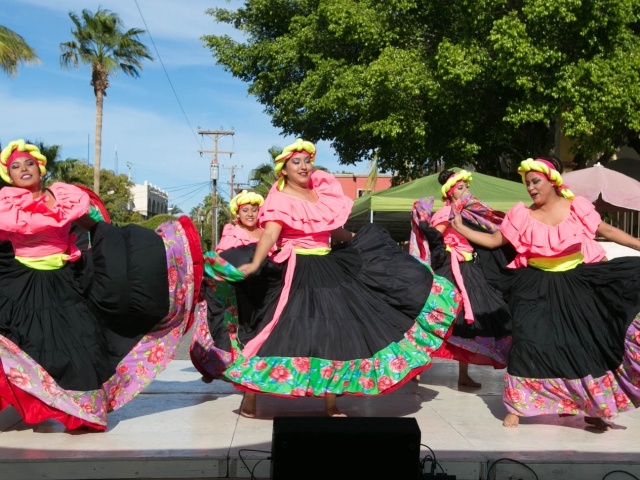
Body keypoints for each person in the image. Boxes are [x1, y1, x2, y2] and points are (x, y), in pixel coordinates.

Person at [205, 138, 461, 418]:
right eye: (296, 162)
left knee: (335, 333)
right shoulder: (278, 198)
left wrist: (363, 243)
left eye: (307, 161)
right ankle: (251, 397)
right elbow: (270, 234)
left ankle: (330, 402)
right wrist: (255, 262)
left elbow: (333, 232)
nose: (304, 166)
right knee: (273, 331)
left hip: (330, 266)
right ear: (284, 170)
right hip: (297, 269)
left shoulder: (319, 194)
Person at [0, 139, 203, 431]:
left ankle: (80, 410)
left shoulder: (62, 199)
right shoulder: (7, 206)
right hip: (22, 284)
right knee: (25, 344)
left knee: (79, 345)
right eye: (15, 167)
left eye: (28, 163)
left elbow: (96, 229)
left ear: (40, 168)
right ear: (11, 176)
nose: (23, 169)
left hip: (64, 281)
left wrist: (134, 248)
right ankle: (38, 401)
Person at [451, 156, 640, 429]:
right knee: (527, 340)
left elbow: (607, 230)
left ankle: (593, 407)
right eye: (527, 183)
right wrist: (463, 229)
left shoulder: (577, 207)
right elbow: (494, 241)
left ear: (552, 180)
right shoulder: (522, 215)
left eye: (535, 181)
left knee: (584, 343)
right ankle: (517, 406)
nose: (531, 188)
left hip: (577, 282)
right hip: (534, 283)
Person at [410, 170, 513, 388]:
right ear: (449, 192)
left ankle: (463, 374)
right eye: (460, 187)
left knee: (468, 321)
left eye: (466, 186)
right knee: (438, 317)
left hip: (468, 269)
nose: (465, 189)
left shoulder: (468, 213)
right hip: (449, 268)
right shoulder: (447, 212)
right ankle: (416, 369)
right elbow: (434, 236)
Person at [190, 189, 273, 417]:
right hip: (234, 294)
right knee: (227, 336)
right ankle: (217, 369)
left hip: (259, 293)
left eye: (254, 210)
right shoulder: (231, 231)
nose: (250, 214)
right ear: (238, 213)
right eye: (245, 210)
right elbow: (221, 261)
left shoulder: (266, 232)